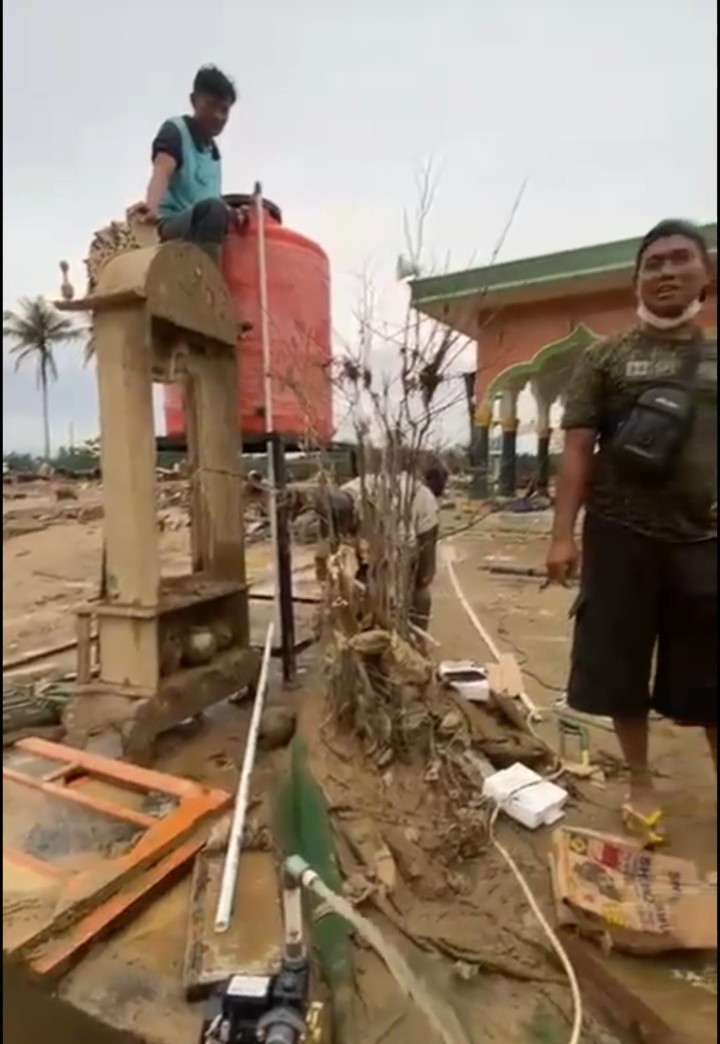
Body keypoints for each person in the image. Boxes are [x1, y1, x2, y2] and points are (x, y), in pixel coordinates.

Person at [547, 219, 716, 847]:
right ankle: (640, 783)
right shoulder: (606, 358)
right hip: (620, 535)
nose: (668, 272)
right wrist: (562, 535)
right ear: (637, 280)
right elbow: (577, 452)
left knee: (710, 673)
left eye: (681, 260)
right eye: (654, 263)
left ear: (705, 273)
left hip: (705, 539)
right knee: (621, 669)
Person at [316, 460, 448, 630]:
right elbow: (325, 559)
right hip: (373, 548)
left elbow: (425, 574)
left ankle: (413, 643)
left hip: (399, 551)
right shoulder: (343, 498)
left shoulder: (421, 500)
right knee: (354, 586)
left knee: (419, 591)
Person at [127, 65, 239, 256]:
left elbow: (211, 198)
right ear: (194, 101)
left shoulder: (214, 154)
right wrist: (151, 207)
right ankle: (206, 276)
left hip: (203, 228)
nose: (218, 116)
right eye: (211, 105)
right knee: (214, 210)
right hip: (171, 226)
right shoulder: (177, 131)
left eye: (224, 110)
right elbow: (162, 170)